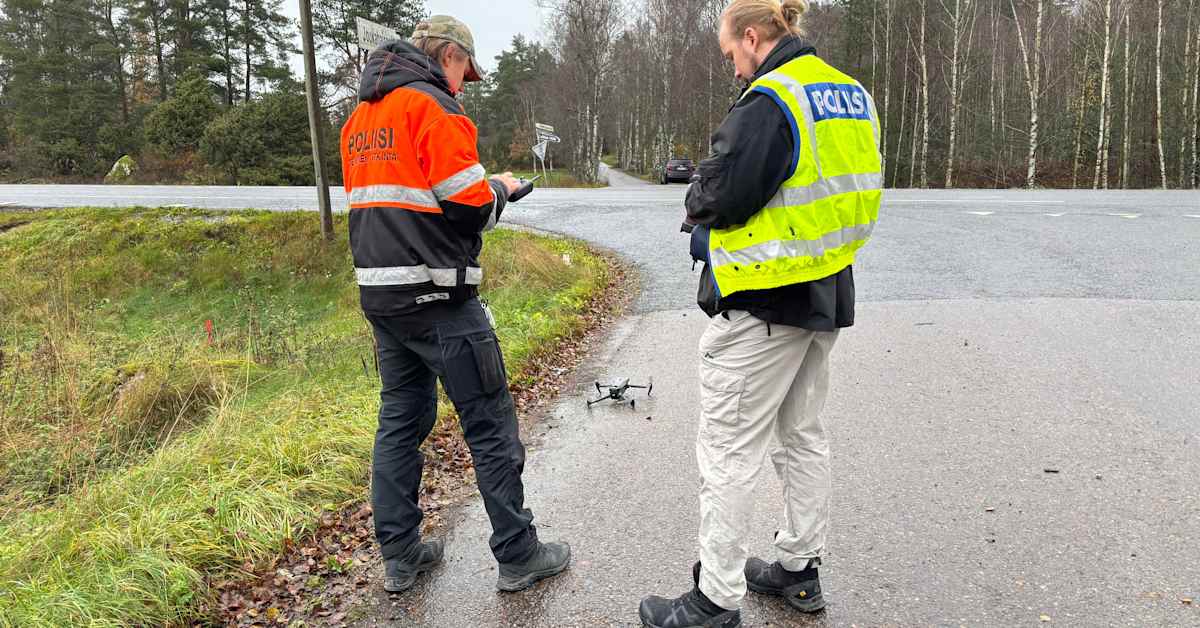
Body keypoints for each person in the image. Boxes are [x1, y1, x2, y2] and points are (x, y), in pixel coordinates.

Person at [639, 0, 882, 625]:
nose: (733, 68)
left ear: (752, 37)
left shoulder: (772, 99)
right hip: (825, 291)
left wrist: (697, 190)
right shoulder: (847, 92)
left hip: (763, 302)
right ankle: (800, 568)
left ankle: (715, 599)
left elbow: (721, 194)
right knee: (802, 436)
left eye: (730, 54)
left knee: (728, 450)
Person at [340, 15, 570, 595]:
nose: (464, 84)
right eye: (464, 70)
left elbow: (408, 197)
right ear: (448, 55)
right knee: (489, 421)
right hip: (440, 295)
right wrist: (502, 189)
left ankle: (402, 555)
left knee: (400, 422)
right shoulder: (435, 108)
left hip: (382, 297)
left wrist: (473, 184)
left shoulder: (361, 118)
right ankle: (518, 553)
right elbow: (468, 207)